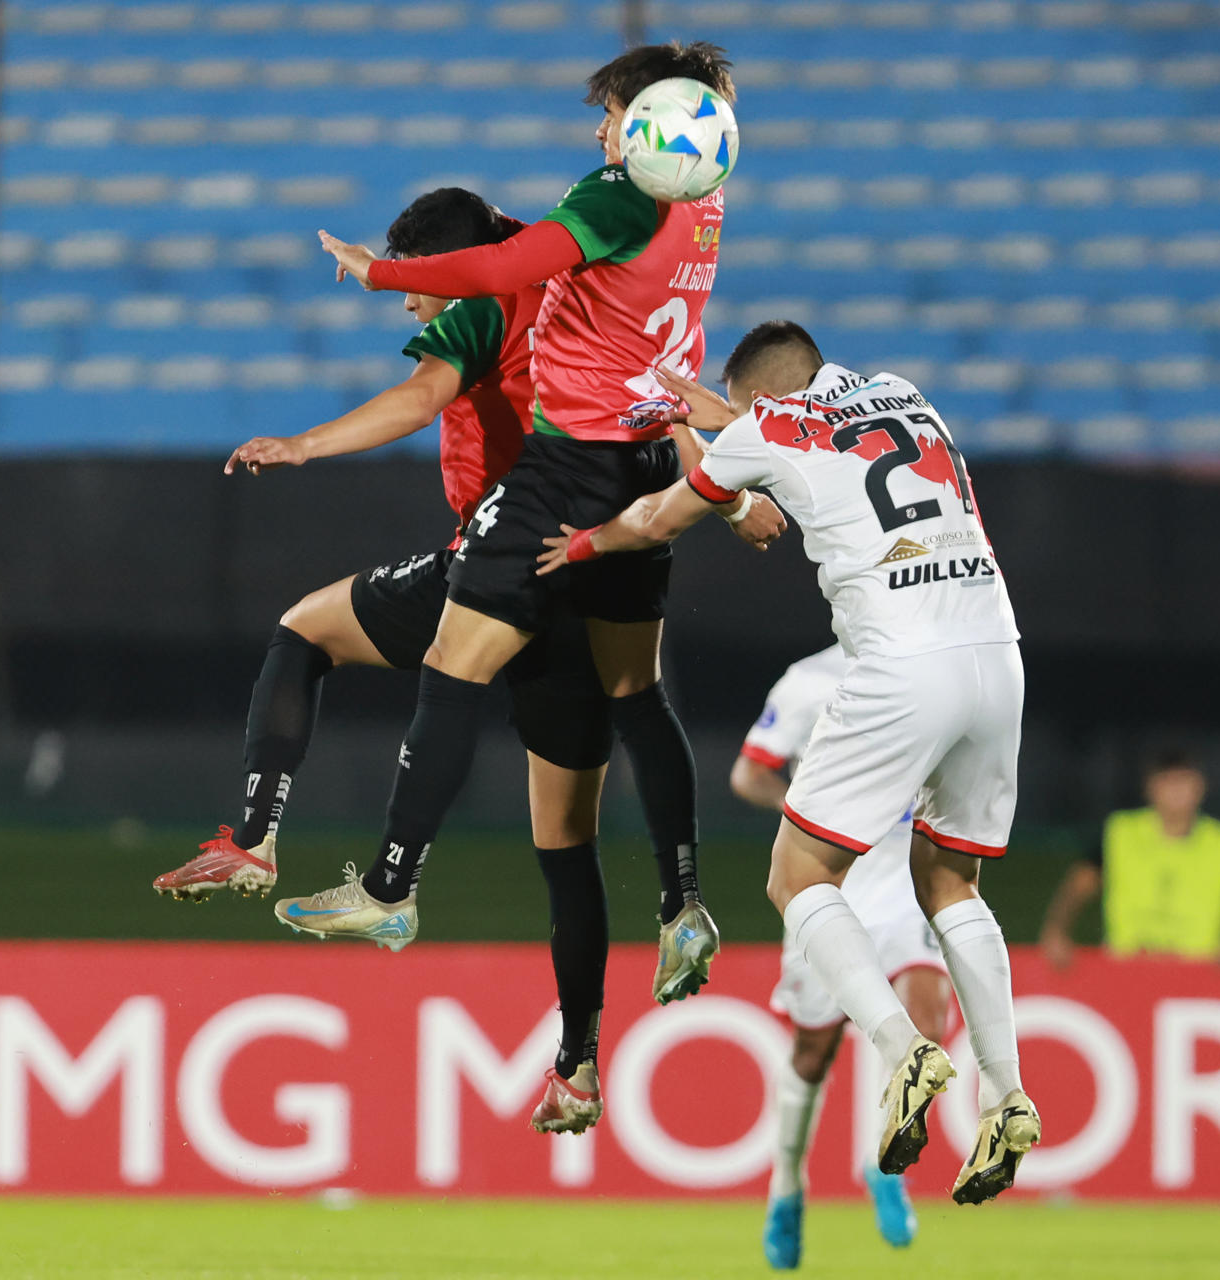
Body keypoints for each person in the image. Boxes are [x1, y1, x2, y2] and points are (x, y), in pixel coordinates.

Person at [285, 42, 785, 1015]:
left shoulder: (622, 198)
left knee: (451, 659)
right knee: (638, 689)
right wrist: (717, 489)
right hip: (643, 459)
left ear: (644, 125)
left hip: (568, 466)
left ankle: (390, 887)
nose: (600, 131)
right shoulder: (701, 203)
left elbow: (509, 263)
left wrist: (382, 269)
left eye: (610, 115)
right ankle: (684, 903)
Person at [146, 188, 632, 1133]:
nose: (410, 304)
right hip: (588, 575)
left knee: (304, 629)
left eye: (416, 285)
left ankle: (260, 845)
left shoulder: (484, 306)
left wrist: (304, 445)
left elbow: (419, 398)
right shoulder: (578, 292)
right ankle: (577, 1064)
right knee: (567, 846)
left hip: (495, 562)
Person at [536, 320, 1040, 1204]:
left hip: (901, 659)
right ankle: (1007, 1092)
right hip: (997, 653)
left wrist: (583, 544)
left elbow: (663, 513)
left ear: (758, 401)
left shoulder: (763, 431)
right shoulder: (905, 394)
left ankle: (900, 1050)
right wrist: (730, 414)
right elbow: (814, 435)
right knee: (952, 884)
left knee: (798, 875)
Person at [733, 644, 951, 1267]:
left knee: (925, 1031)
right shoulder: (808, 682)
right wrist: (810, 823)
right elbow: (750, 772)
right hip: (826, 885)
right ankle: (787, 1187)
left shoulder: (931, 671)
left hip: (905, 884)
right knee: (813, 1051)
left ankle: (883, 1162)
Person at [1039, 748, 1220, 969]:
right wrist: (1056, 930)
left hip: (1197, 971)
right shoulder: (1120, 832)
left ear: (1201, 787)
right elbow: (1079, 885)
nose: (1176, 791)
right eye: (1167, 782)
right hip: (1128, 967)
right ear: (1150, 787)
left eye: (1184, 781)